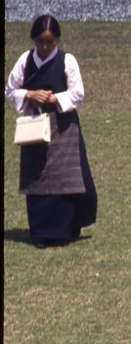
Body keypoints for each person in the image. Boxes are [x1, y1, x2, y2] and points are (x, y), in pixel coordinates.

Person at [6, 14, 98, 248]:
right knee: (37, 178)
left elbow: (78, 93)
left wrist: (54, 97)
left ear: (56, 40)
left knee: (65, 178)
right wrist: (29, 94)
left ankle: (64, 230)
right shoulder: (26, 60)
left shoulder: (67, 60)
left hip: (63, 126)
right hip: (35, 124)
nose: (45, 47)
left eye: (49, 42)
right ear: (34, 40)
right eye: (40, 42)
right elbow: (10, 89)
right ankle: (40, 232)